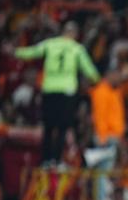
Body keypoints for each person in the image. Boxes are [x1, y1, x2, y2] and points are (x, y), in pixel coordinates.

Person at [13, 21, 100, 166]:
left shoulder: (50, 44)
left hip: (49, 89)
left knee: (48, 127)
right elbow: (88, 68)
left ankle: (46, 160)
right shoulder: (76, 48)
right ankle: (57, 160)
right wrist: (97, 79)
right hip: (67, 91)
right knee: (62, 127)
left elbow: (32, 52)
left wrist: (16, 52)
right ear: (74, 34)